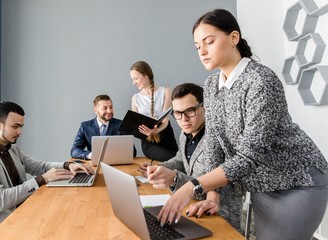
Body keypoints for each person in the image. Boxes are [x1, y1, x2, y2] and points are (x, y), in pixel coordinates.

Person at [153, 9, 328, 240]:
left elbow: (249, 156)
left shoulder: (261, 80)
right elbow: (214, 142)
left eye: (209, 41)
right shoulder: (212, 84)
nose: (202, 51)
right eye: (197, 46)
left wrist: (192, 186)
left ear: (233, 38)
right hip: (263, 186)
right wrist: (212, 195)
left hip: (298, 182)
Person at [0, 101, 93, 239]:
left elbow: (39, 166)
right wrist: (41, 180)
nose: (20, 132)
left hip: (20, 215)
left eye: (21, 126)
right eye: (15, 126)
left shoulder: (12, 148)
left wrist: (67, 165)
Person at [138, 83, 243, 231]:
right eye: (178, 113)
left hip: (220, 218)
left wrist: (174, 178)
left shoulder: (219, 137)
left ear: (204, 106)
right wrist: (160, 168)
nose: (184, 119)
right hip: (190, 210)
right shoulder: (185, 134)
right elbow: (180, 160)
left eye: (190, 111)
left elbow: (219, 186)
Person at [130, 60, 178, 161]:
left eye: (136, 78)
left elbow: (165, 120)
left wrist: (156, 130)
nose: (133, 83)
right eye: (132, 79)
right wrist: (147, 132)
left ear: (146, 75)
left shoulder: (166, 91)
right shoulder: (135, 98)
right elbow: (136, 126)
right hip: (148, 142)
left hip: (166, 136)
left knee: (178, 159)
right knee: (174, 159)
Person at [71, 94, 136, 159]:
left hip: (117, 164)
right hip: (94, 166)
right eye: (105, 108)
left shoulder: (122, 124)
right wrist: (90, 155)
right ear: (96, 111)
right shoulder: (85, 126)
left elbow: (133, 152)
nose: (109, 111)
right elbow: (74, 150)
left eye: (111, 107)